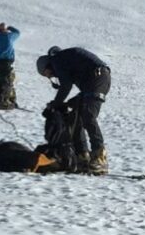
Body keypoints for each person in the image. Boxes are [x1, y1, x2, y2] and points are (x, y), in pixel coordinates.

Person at [34, 45, 111, 174]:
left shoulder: (57, 60)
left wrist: (55, 104)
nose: (51, 76)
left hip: (97, 78)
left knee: (88, 115)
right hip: (96, 79)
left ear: (47, 66)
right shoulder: (66, 59)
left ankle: (99, 157)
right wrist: (66, 103)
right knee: (76, 113)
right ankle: (83, 156)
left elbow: (66, 86)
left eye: (47, 74)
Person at [0, 22, 20, 109]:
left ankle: (5, 99)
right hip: (6, 61)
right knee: (7, 80)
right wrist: (10, 28)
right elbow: (17, 33)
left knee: (1, 80)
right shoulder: (9, 36)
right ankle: (2, 101)